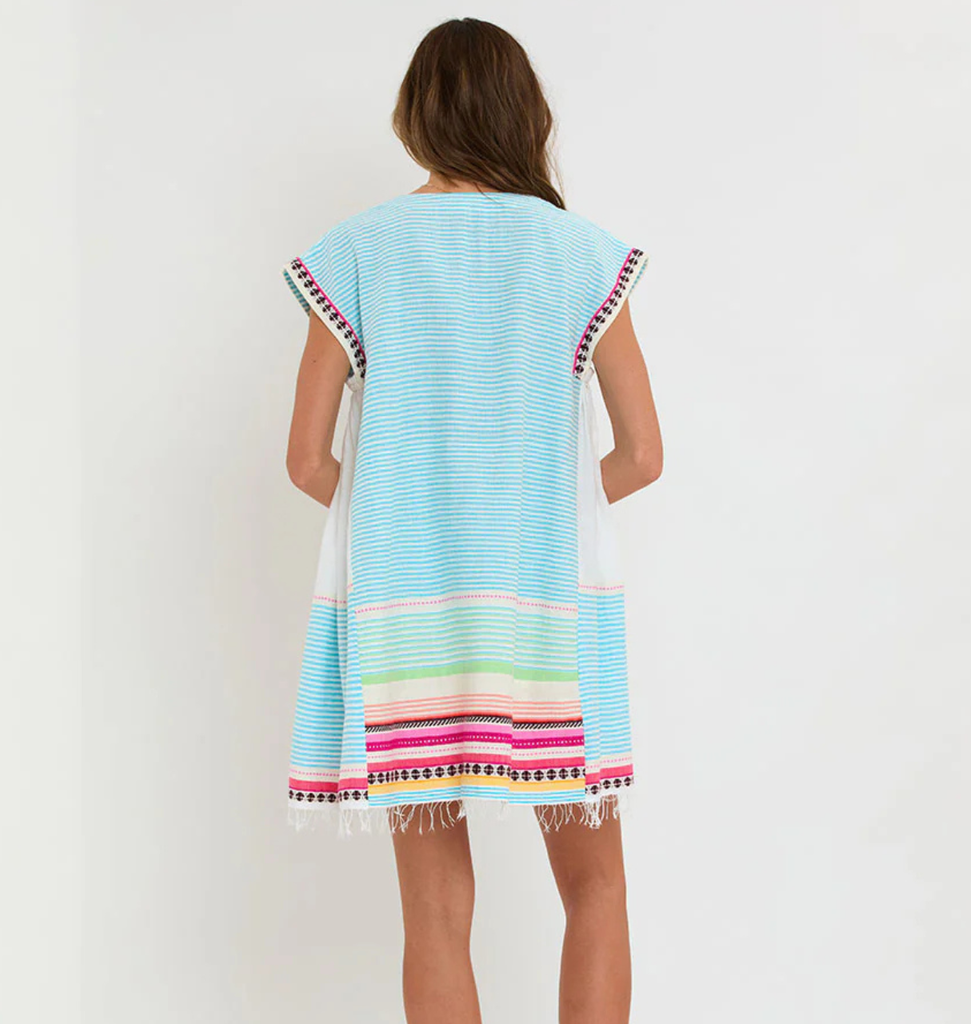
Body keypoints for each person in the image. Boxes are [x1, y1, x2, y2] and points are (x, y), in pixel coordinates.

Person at [281, 17, 662, 1024]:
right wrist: (528, 513)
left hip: (408, 615)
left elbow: (306, 461)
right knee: (597, 888)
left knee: (435, 916)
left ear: (415, 116)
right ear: (523, 114)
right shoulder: (583, 255)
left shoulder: (355, 252)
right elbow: (641, 455)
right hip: (548, 613)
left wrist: (412, 518)